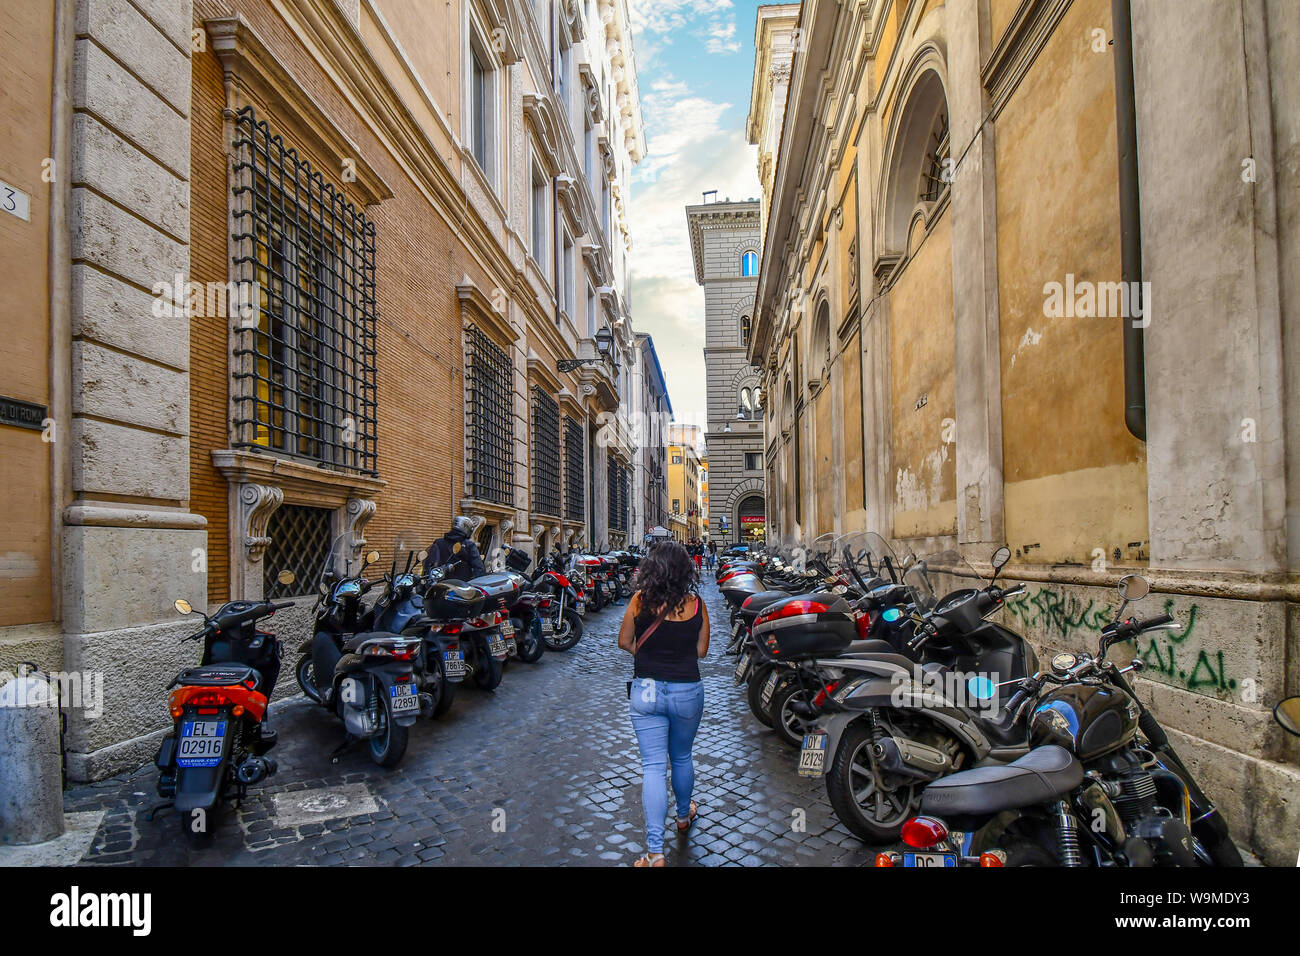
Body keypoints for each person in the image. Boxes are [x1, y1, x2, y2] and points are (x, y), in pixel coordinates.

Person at [618, 542, 709, 867]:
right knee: (682, 756)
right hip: (687, 689)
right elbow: (701, 652)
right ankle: (683, 817)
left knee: (653, 768)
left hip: (646, 690)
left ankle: (655, 854)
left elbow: (624, 642)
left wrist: (649, 658)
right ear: (686, 571)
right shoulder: (696, 604)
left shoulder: (639, 601)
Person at [425, 515, 486, 582]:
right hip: (461, 585)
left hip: (440, 583)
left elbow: (429, 563)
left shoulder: (438, 542)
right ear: (466, 528)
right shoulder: (469, 545)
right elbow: (479, 567)